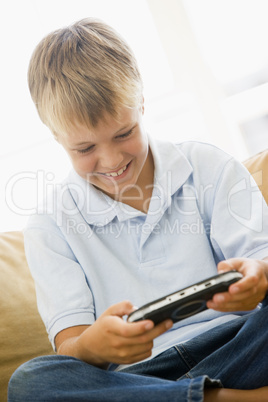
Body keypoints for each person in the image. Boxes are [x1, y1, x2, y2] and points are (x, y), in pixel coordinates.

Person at [8, 18, 268, 402]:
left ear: (142, 102)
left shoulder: (209, 166)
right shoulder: (50, 225)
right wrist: (94, 347)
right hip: (138, 378)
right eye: (85, 149)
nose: (111, 161)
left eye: (124, 133)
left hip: (238, 345)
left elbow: (259, 263)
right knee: (32, 382)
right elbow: (71, 347)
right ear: (56, 136)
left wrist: (257, 280)